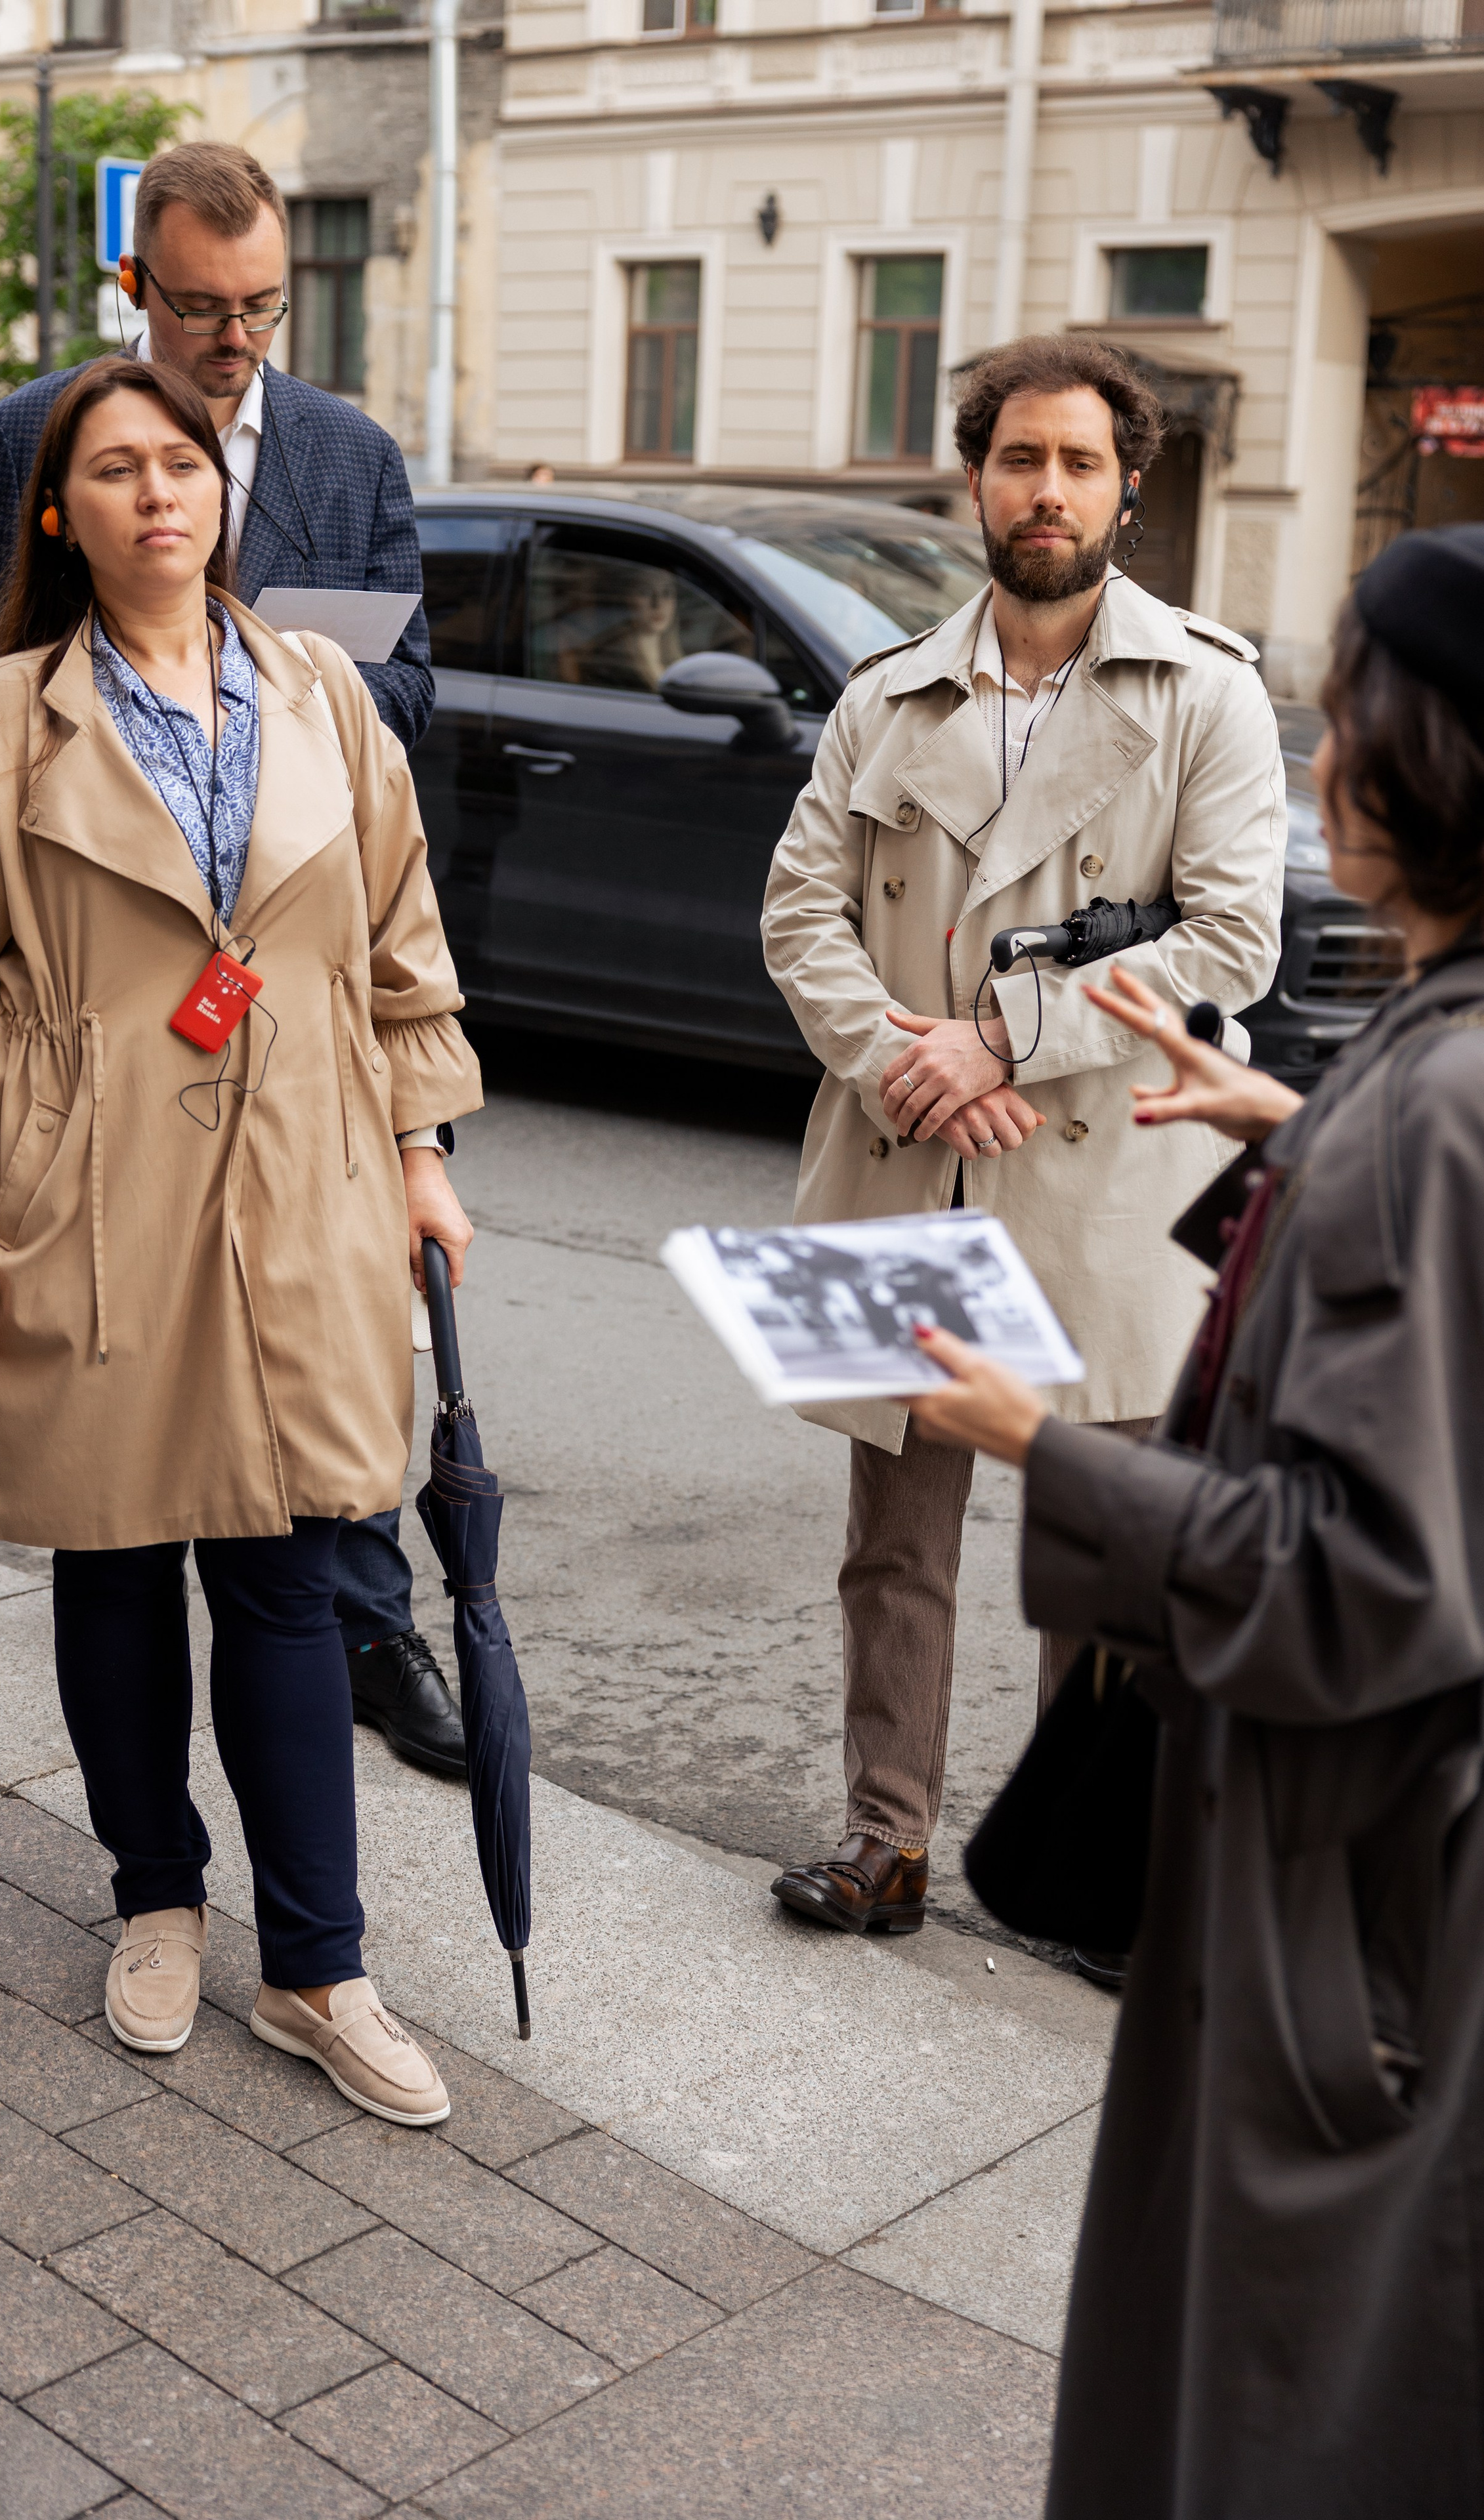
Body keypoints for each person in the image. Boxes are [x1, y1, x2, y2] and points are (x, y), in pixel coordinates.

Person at [905, 522, 1484, 2519]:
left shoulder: (1435, 1109)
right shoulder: (1431, 1063)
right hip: (1386, 1888)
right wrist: (1288, 1128)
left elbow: (1376, 1577)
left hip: (1352, 1894)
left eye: (1353, 715)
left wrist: (1034, 1449)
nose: (1323, 760)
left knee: (1275, 2397)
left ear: (1408, 771)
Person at [0, 354, 482, 2120]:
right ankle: (153, 1895)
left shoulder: (324, 700)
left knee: (295, 1570)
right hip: (87, 1185)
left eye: (182, 466)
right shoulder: (1, 718)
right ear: (63, 512)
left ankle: (318, 1966)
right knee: (116, 1565)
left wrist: (423, 1151)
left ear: (222, 497)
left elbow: (398, 938)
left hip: (307, 1172)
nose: (157, 494)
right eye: (115, 470)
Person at [0, 138, 466, 1780]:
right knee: (130, 1438)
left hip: (290, 946)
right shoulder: (40, 433)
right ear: (136, 287)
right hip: (106, 997)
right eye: (203, 306)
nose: (235, 338)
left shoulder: (347, 454)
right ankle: (159, 1822)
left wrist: (282, 702)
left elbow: (417, 681)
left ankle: (372, 1632)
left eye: (263, 306)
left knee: (318, 1378)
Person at [760, 335, 1283, 1950]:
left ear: (1129, 488)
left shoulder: (1208, 688)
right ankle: (882, 1842)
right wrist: (909, 1065)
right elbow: (798, 914)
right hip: (907, 1152)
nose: (1041, 490)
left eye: (1075, 463)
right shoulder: (884, 693)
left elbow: (1229, 943)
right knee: (890, 1552)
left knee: (1099, 1554)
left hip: (1107, 1171)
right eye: (1014, 459)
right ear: (971, 478)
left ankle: (1086, 1878)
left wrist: (1003, 1036)